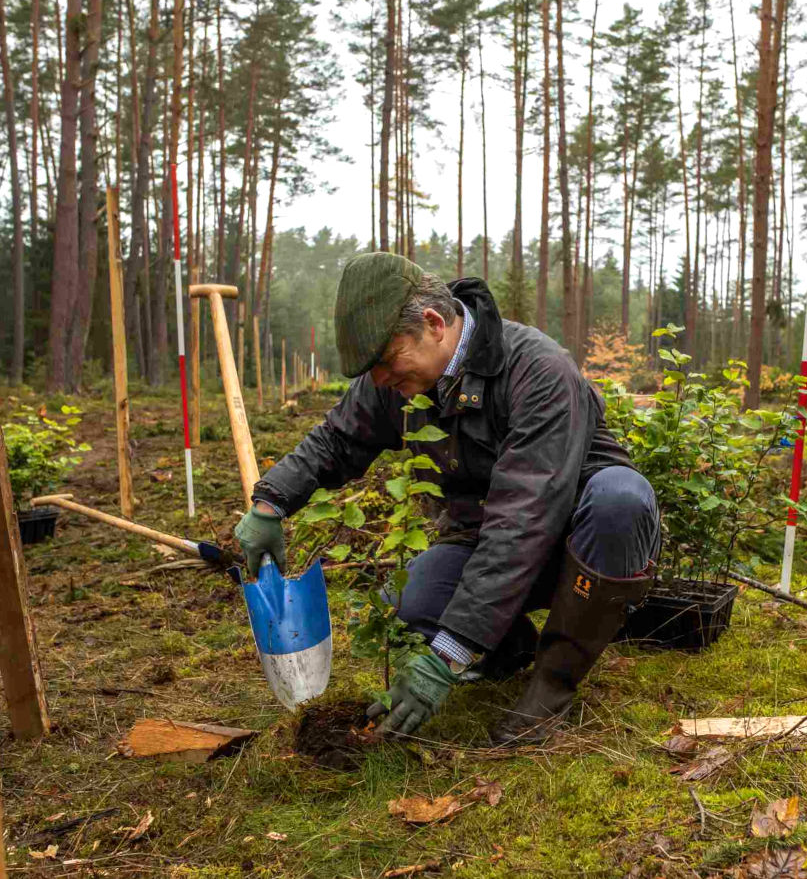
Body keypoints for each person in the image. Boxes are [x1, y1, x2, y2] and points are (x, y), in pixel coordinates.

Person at [235, 252, 660, 745]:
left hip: (578, 542)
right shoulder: (396, 377)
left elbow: (523, 519)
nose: (379, 381)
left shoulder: (539, 371)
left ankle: (553, 680)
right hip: (481, 537)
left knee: (620, 498)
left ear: (434, 324)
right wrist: (271, 503)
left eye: (387, 362)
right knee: (411, 603)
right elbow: (336, 439)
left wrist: (447, 654)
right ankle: (508, 649)